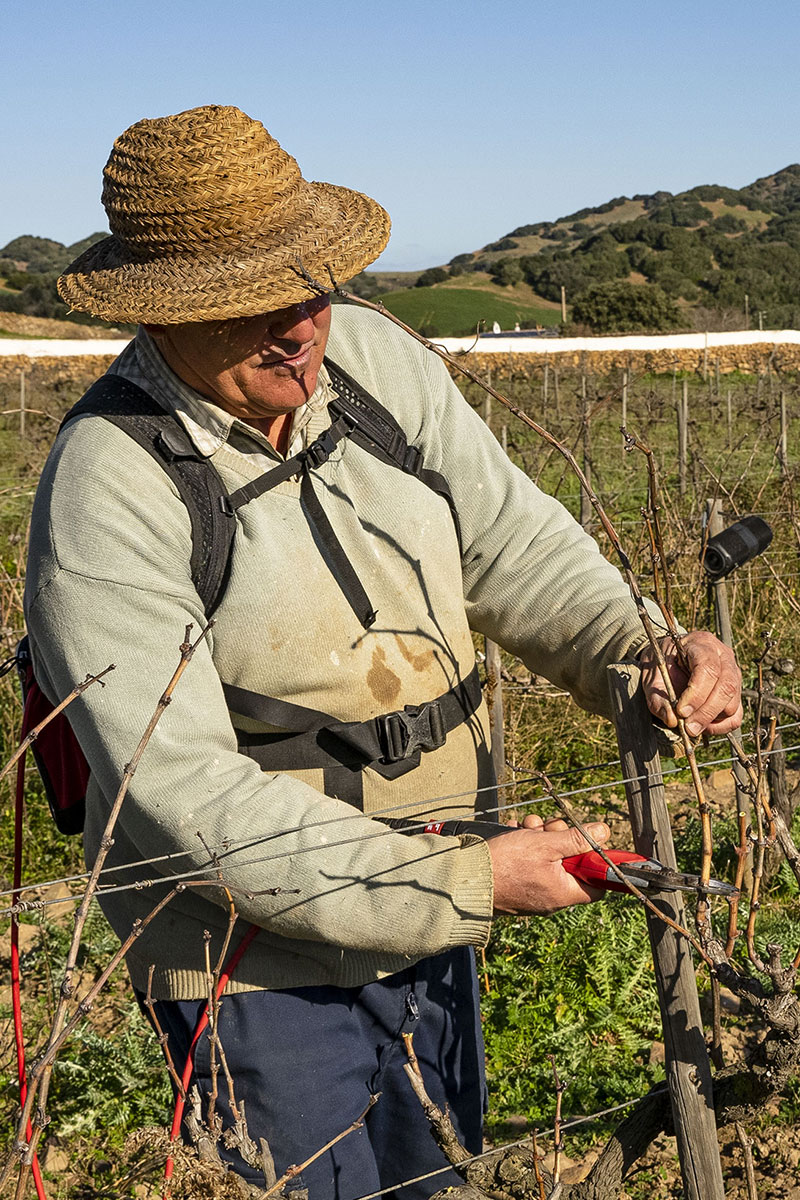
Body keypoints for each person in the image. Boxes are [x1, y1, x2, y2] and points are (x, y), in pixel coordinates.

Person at [26, 105, 741, 1199]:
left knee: (436, 1179)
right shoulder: (108, 483)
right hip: (249, 964)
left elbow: (511, 544)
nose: (296, 328)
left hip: (432, 910)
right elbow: (184, 795)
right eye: (250, 304)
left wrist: (637, 647)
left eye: (309, 286)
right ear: (162, 313)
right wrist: (461, 881)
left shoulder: (368, 362)